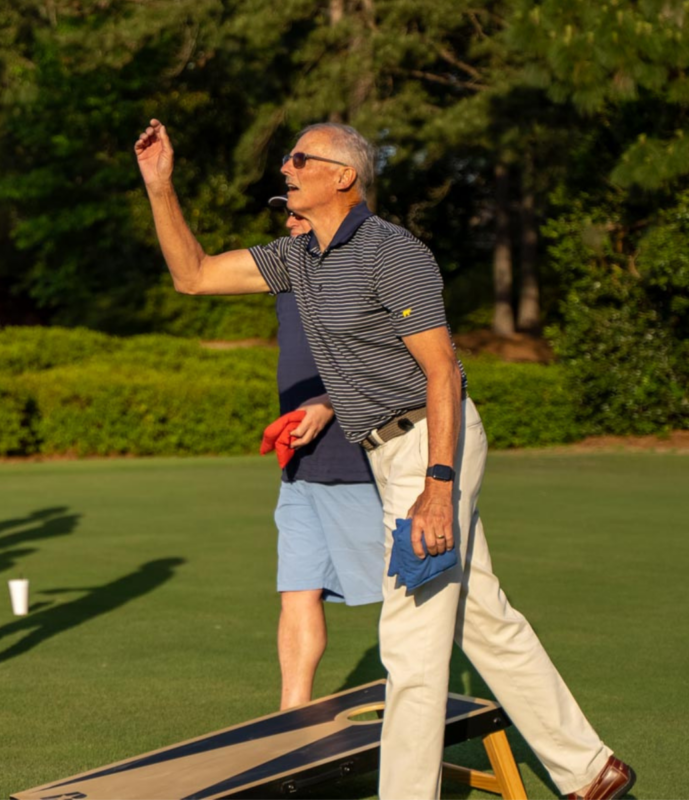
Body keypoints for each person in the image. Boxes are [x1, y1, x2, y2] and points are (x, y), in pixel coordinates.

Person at [135, 119, 633, 799]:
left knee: (409, 641)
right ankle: (588, 768)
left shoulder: (389, 252)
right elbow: (192, 277)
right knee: (479, 618)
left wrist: (436, 485)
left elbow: (442, 373)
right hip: (385, 452)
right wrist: (160, 187)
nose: (286, 166)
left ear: (344, 175)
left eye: (300, 157)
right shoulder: (298, 256)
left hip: (431, 442)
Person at [263, 197, 385, 710]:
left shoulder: (367, 269)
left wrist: (329, 405)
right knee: (298, 590)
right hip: (301, 470)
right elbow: (196, 274)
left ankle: (420, 713)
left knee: (409, 602)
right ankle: (291, 720)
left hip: (360, 466)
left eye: (298, 214)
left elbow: (391, 361)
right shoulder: (287, 280)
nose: (289, 222)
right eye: (285, 214)